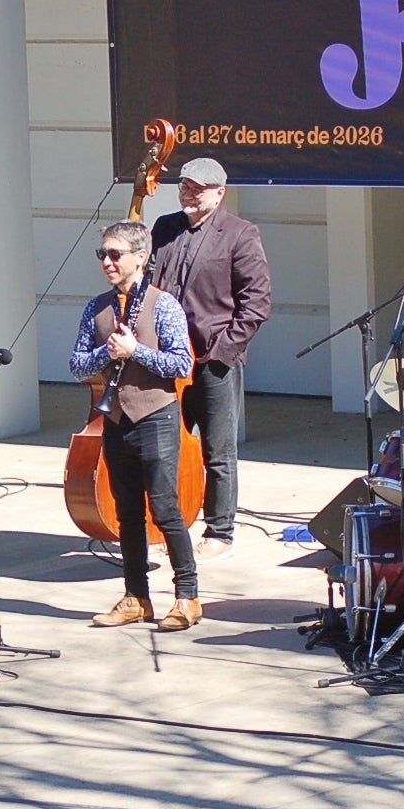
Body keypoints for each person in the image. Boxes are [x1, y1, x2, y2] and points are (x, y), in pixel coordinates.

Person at [70, 221, 201, 631]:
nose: (107, 262)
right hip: (115, 419)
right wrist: (106, 354)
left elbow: (181, 363)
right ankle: (135, 597)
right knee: (127, 513)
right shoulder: (96, 308)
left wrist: (136, 351)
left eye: (115, 254)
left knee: (164, 507)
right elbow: (76, 365)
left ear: (140, 257)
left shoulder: (164, 306)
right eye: (102, 255)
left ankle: (187, 597)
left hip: (156, 417)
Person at [149, 157, 271, 564]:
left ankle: (219, 532)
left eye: (197, 187)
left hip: (213, 359)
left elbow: (256, 304)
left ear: (218, 193)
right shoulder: (165, 227)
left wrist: (221, 353)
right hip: (167, 360)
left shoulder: (240, 233)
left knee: (218, 451)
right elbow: (146, 284)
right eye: (183, 185)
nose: (187, 192)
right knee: (168, 448)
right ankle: (171, 524)